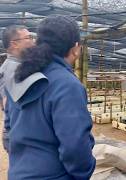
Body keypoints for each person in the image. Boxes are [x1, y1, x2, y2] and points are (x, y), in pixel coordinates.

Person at [5, 15, 96, 179]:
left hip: (19, 172)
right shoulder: (67, 85)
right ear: (76, 48)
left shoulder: (21, 74)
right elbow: (75, 147)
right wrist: (83, 173)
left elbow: (9, 126)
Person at [0, 25, 35, 152]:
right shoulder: (13, 70)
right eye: (28, 37)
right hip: (19, 134)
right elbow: (8, 104)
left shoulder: (18, 66)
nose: (33, 41)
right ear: (14, 44)